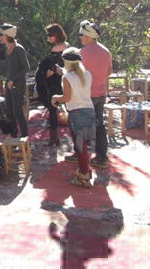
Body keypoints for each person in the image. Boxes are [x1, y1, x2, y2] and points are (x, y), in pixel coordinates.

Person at [70, 20, 113, 169]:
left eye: (81, 35)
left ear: (87, 36)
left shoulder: (83, 52)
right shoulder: (105, 51)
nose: (80, 38)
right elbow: (109, 71)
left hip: (86, 95)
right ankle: (101, 156)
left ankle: (79, 154)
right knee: (99, 125)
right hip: (100, 93)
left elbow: (75, 73)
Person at [52, 48, 96, 187]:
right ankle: (86, 170)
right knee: (83, 146)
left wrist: (55, 98)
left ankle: (84, 176)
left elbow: (67, 98)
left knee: (80, 148)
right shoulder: (87, 74)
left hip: (77, 113)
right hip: (89, 111)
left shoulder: (67, 78)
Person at [0, 24, 31, 138]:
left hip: (18, 84)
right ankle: (13, 136)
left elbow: (26, 67)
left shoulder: (18, 49)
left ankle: (24, 136)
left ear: (8, 35)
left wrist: (13, 79)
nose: (0, 37)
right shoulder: (6, 48)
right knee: (9, 112)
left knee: (18, 112)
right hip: (9, 83)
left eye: (1, 35)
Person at [35, 24, 69, 147]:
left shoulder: (56, 49)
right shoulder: (67, 46)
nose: (48, 37)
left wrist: (41, 77)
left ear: (56, 35)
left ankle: (54, 138)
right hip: (66, 80)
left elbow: (50, 71)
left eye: (50, 35)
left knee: (52, 109)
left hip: (54, 83)